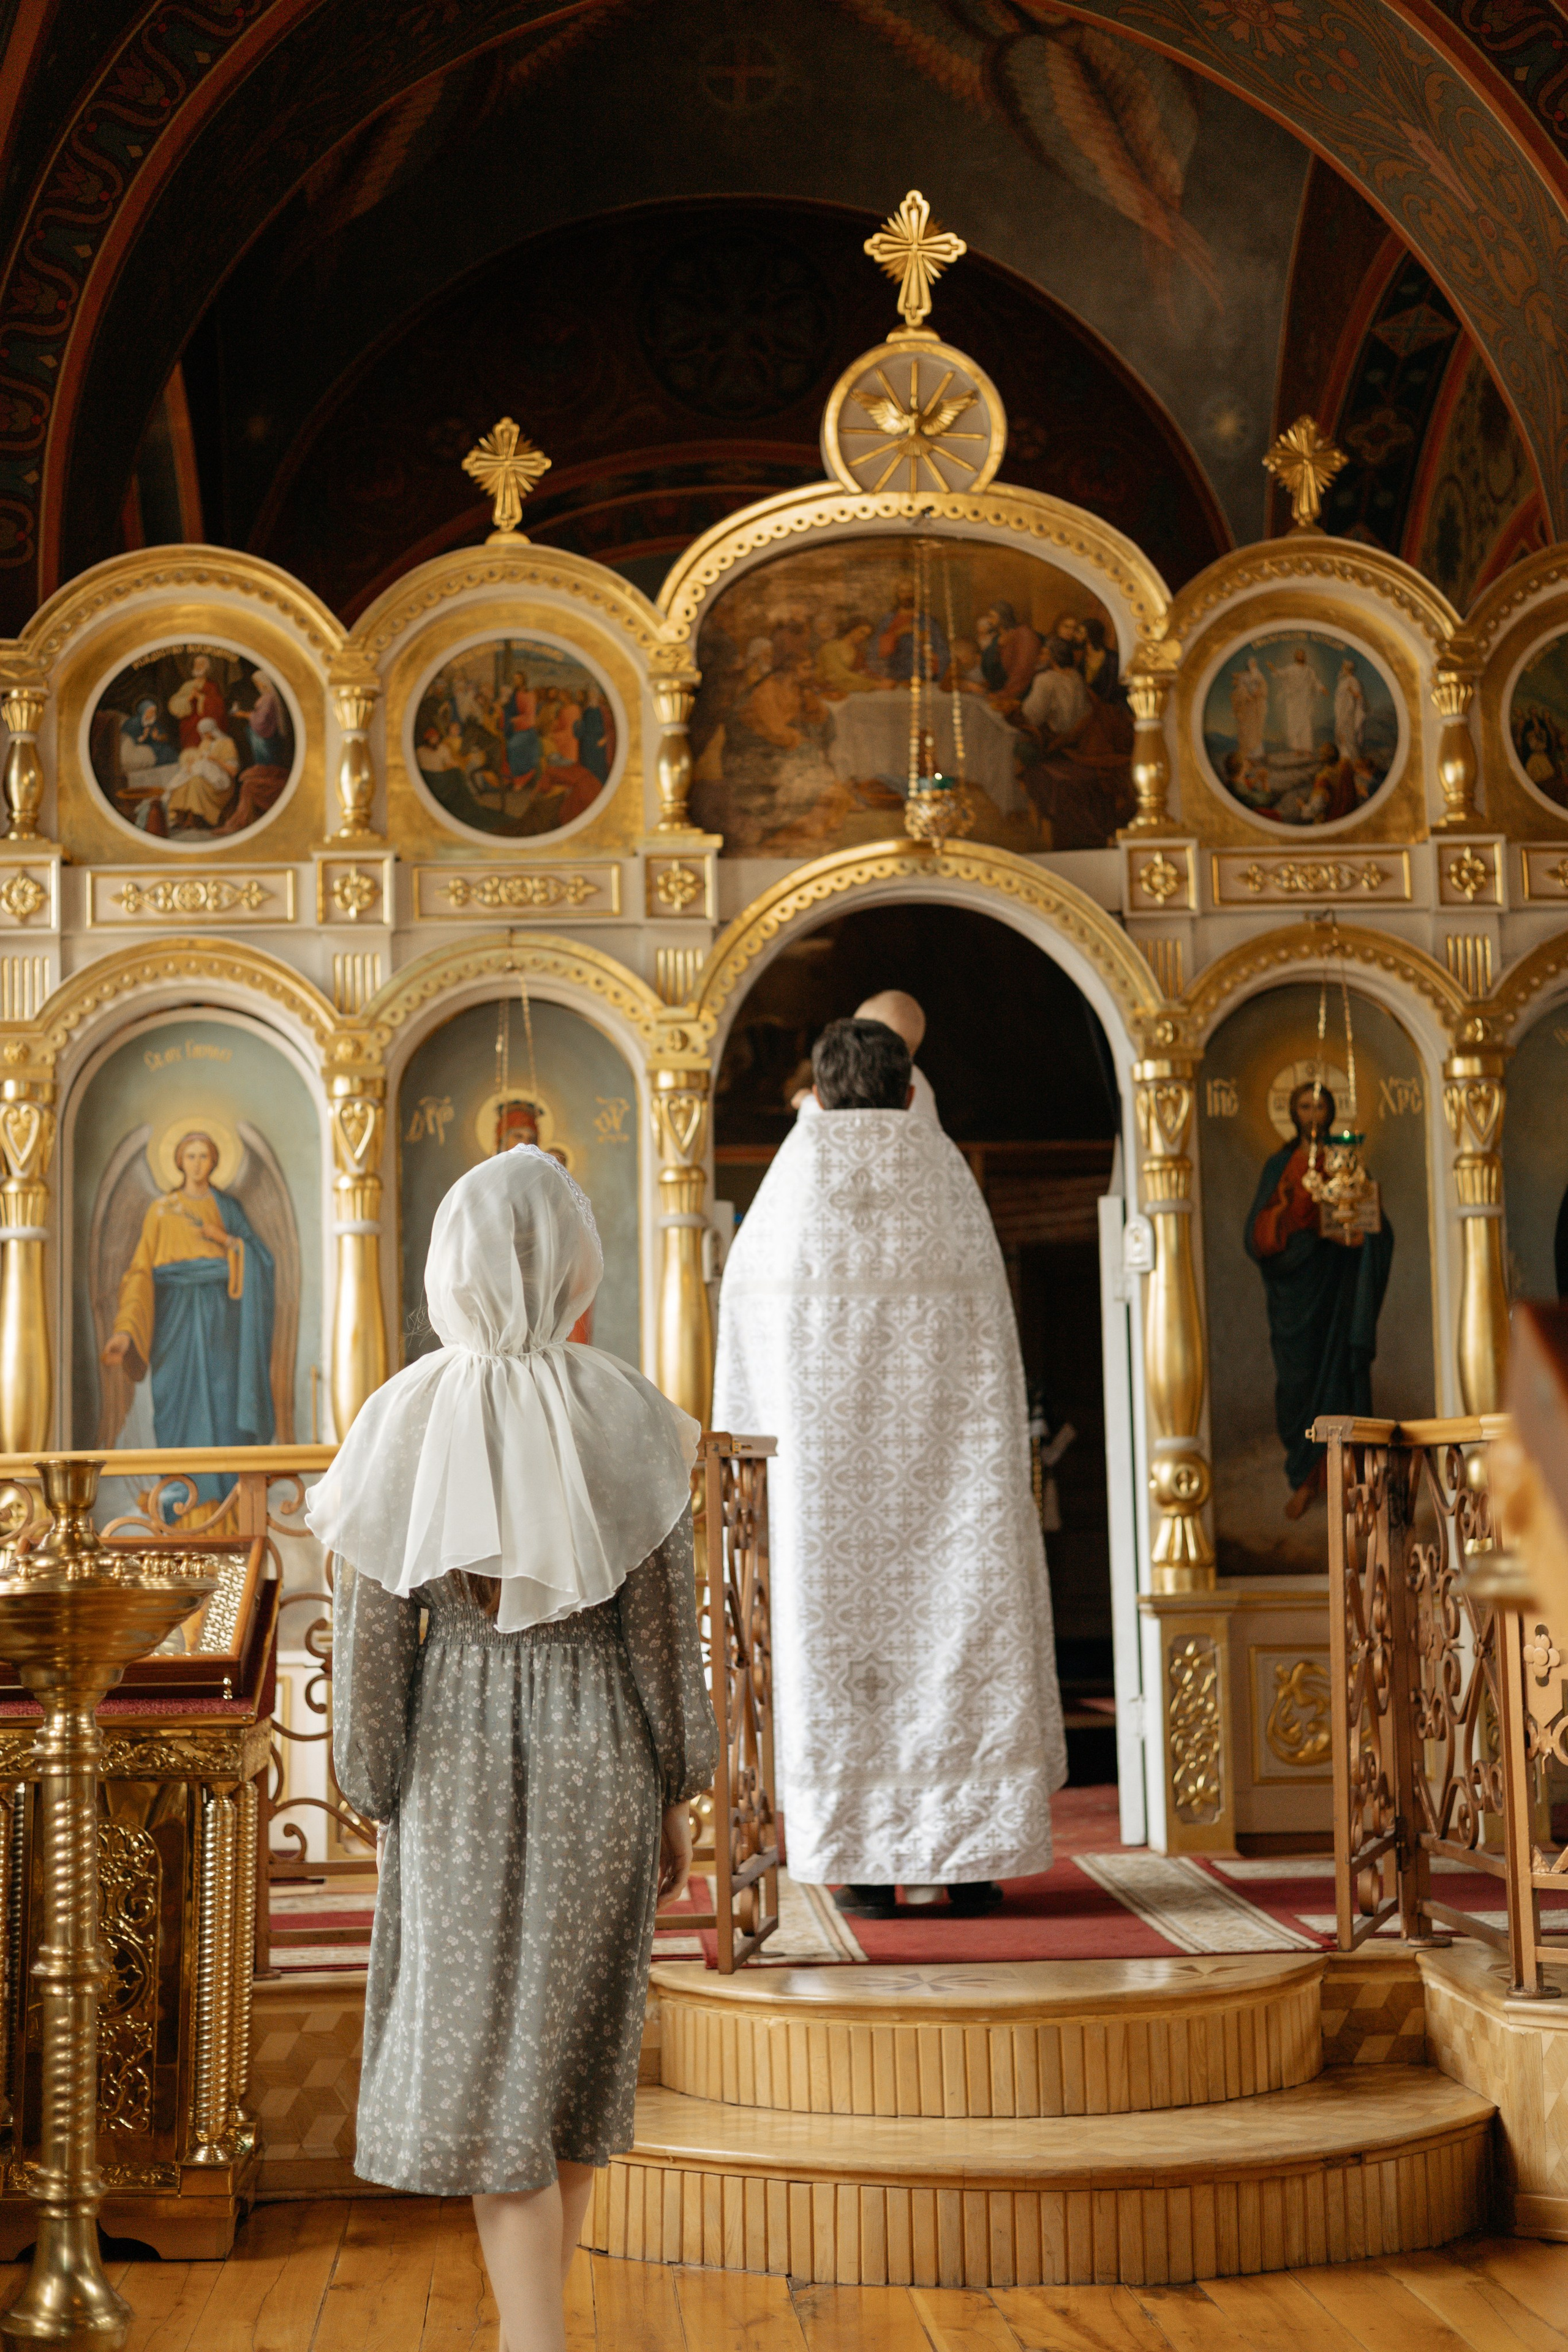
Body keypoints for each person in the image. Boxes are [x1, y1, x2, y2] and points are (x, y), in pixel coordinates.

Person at [307, 1150, 714, 2352]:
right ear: (573, 1259)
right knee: (569, 2069)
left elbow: (375, 1632)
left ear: (453, 1263)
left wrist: (375, 1786)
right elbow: (661, 1634)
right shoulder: (626, 1412)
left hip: (454, 1761)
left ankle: (531, 2341)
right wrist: (677, 1787)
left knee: (494, 2074)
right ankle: (534, 2332)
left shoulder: (402, 1417)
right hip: (605, 1754)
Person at [715, 1017, 1066, 1919]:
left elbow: (746, 1345)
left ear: (819, 1094)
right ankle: (971, 1862)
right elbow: (995, 1345)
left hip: (827, 1504)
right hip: (955, 1496)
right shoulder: (943, 1177)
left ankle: (865, 1870)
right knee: (960, 1647)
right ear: (911, 1093)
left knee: (844, 1665)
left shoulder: (790, 1187)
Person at [102, 1129, 274, 1510]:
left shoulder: (227, 1208)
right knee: (175, 1402)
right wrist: (126, 1331)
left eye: (205, 1156)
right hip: (172, 1320)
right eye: (191, 1156)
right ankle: (181, 1493)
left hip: (221, 1321)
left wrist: (227, 1241)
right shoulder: (160, 1210)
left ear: (215, 1162)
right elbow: (140, 1273)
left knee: (222, 1399)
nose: (198, 1164)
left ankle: (228, 1497)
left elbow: (261, 1260)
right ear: (179, 1161)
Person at [1245, 1082, 1395, 1519]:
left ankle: (1350, 1482)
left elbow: (1374, 1224)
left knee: (1342, 1382)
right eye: (1304, 1106)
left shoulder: (1345, 1164)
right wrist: (1286, 1216)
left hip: (1340, 1290)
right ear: (1293, 1113)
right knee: (1299, 1384)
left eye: (1320, 1106)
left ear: (1331, 1113)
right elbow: (1258, 1233)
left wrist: (1361, 1232)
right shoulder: (1280, 1165)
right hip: (1297, 1292)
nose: (1313, 1113)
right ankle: (1305, 1480)